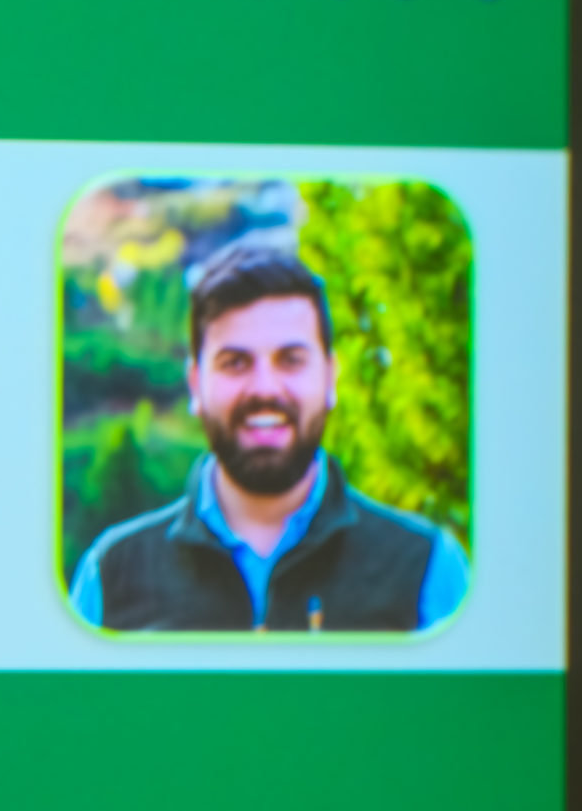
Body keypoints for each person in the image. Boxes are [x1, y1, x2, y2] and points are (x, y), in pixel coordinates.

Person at [69, 241, 470, 633]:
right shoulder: (110, 578)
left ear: (330, 377)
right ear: (196, 384)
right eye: (235, 362)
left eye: (291, 360)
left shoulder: (427, 570)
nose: (265, 389)